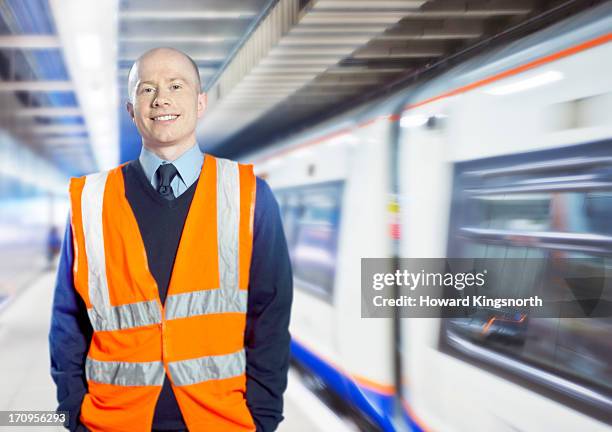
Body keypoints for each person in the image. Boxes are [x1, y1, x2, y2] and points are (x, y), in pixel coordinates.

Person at [48, 47, 293, 432]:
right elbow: (67, 319)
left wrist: (262, 418)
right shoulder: (89, 201)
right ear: (131, 110)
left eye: (175, 86)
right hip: (111, 423)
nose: (161, 99)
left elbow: (271, 316)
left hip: (222, 422)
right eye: (146, 90)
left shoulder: (249, 196)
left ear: (199, 102)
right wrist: (73, 412)